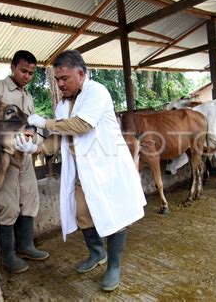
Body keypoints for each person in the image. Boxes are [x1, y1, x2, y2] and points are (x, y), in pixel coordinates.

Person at [26, 50, 146, 291]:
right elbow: (61, 135)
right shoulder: (62, 105)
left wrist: (43, 122)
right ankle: (97, 253)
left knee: (115, 217)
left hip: (108, 168)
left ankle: (113, 266)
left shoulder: (97, 92)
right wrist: (37, 148)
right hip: (82, 171)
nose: (60, 84)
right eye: (57, 79)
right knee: (81, 214)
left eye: (64, 78)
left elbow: (81, 125)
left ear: (81, 74)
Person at [0, 50, 49, 273]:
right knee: (7, 204)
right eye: (23, 71)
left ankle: (26, 246)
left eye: (31, 73)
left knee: (30, 198)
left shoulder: (29, 97)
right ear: (12, 67)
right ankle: (9, 255)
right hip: (3, 156)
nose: (27, 76)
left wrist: (33, 137)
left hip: (24, 155)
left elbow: (32, 125)